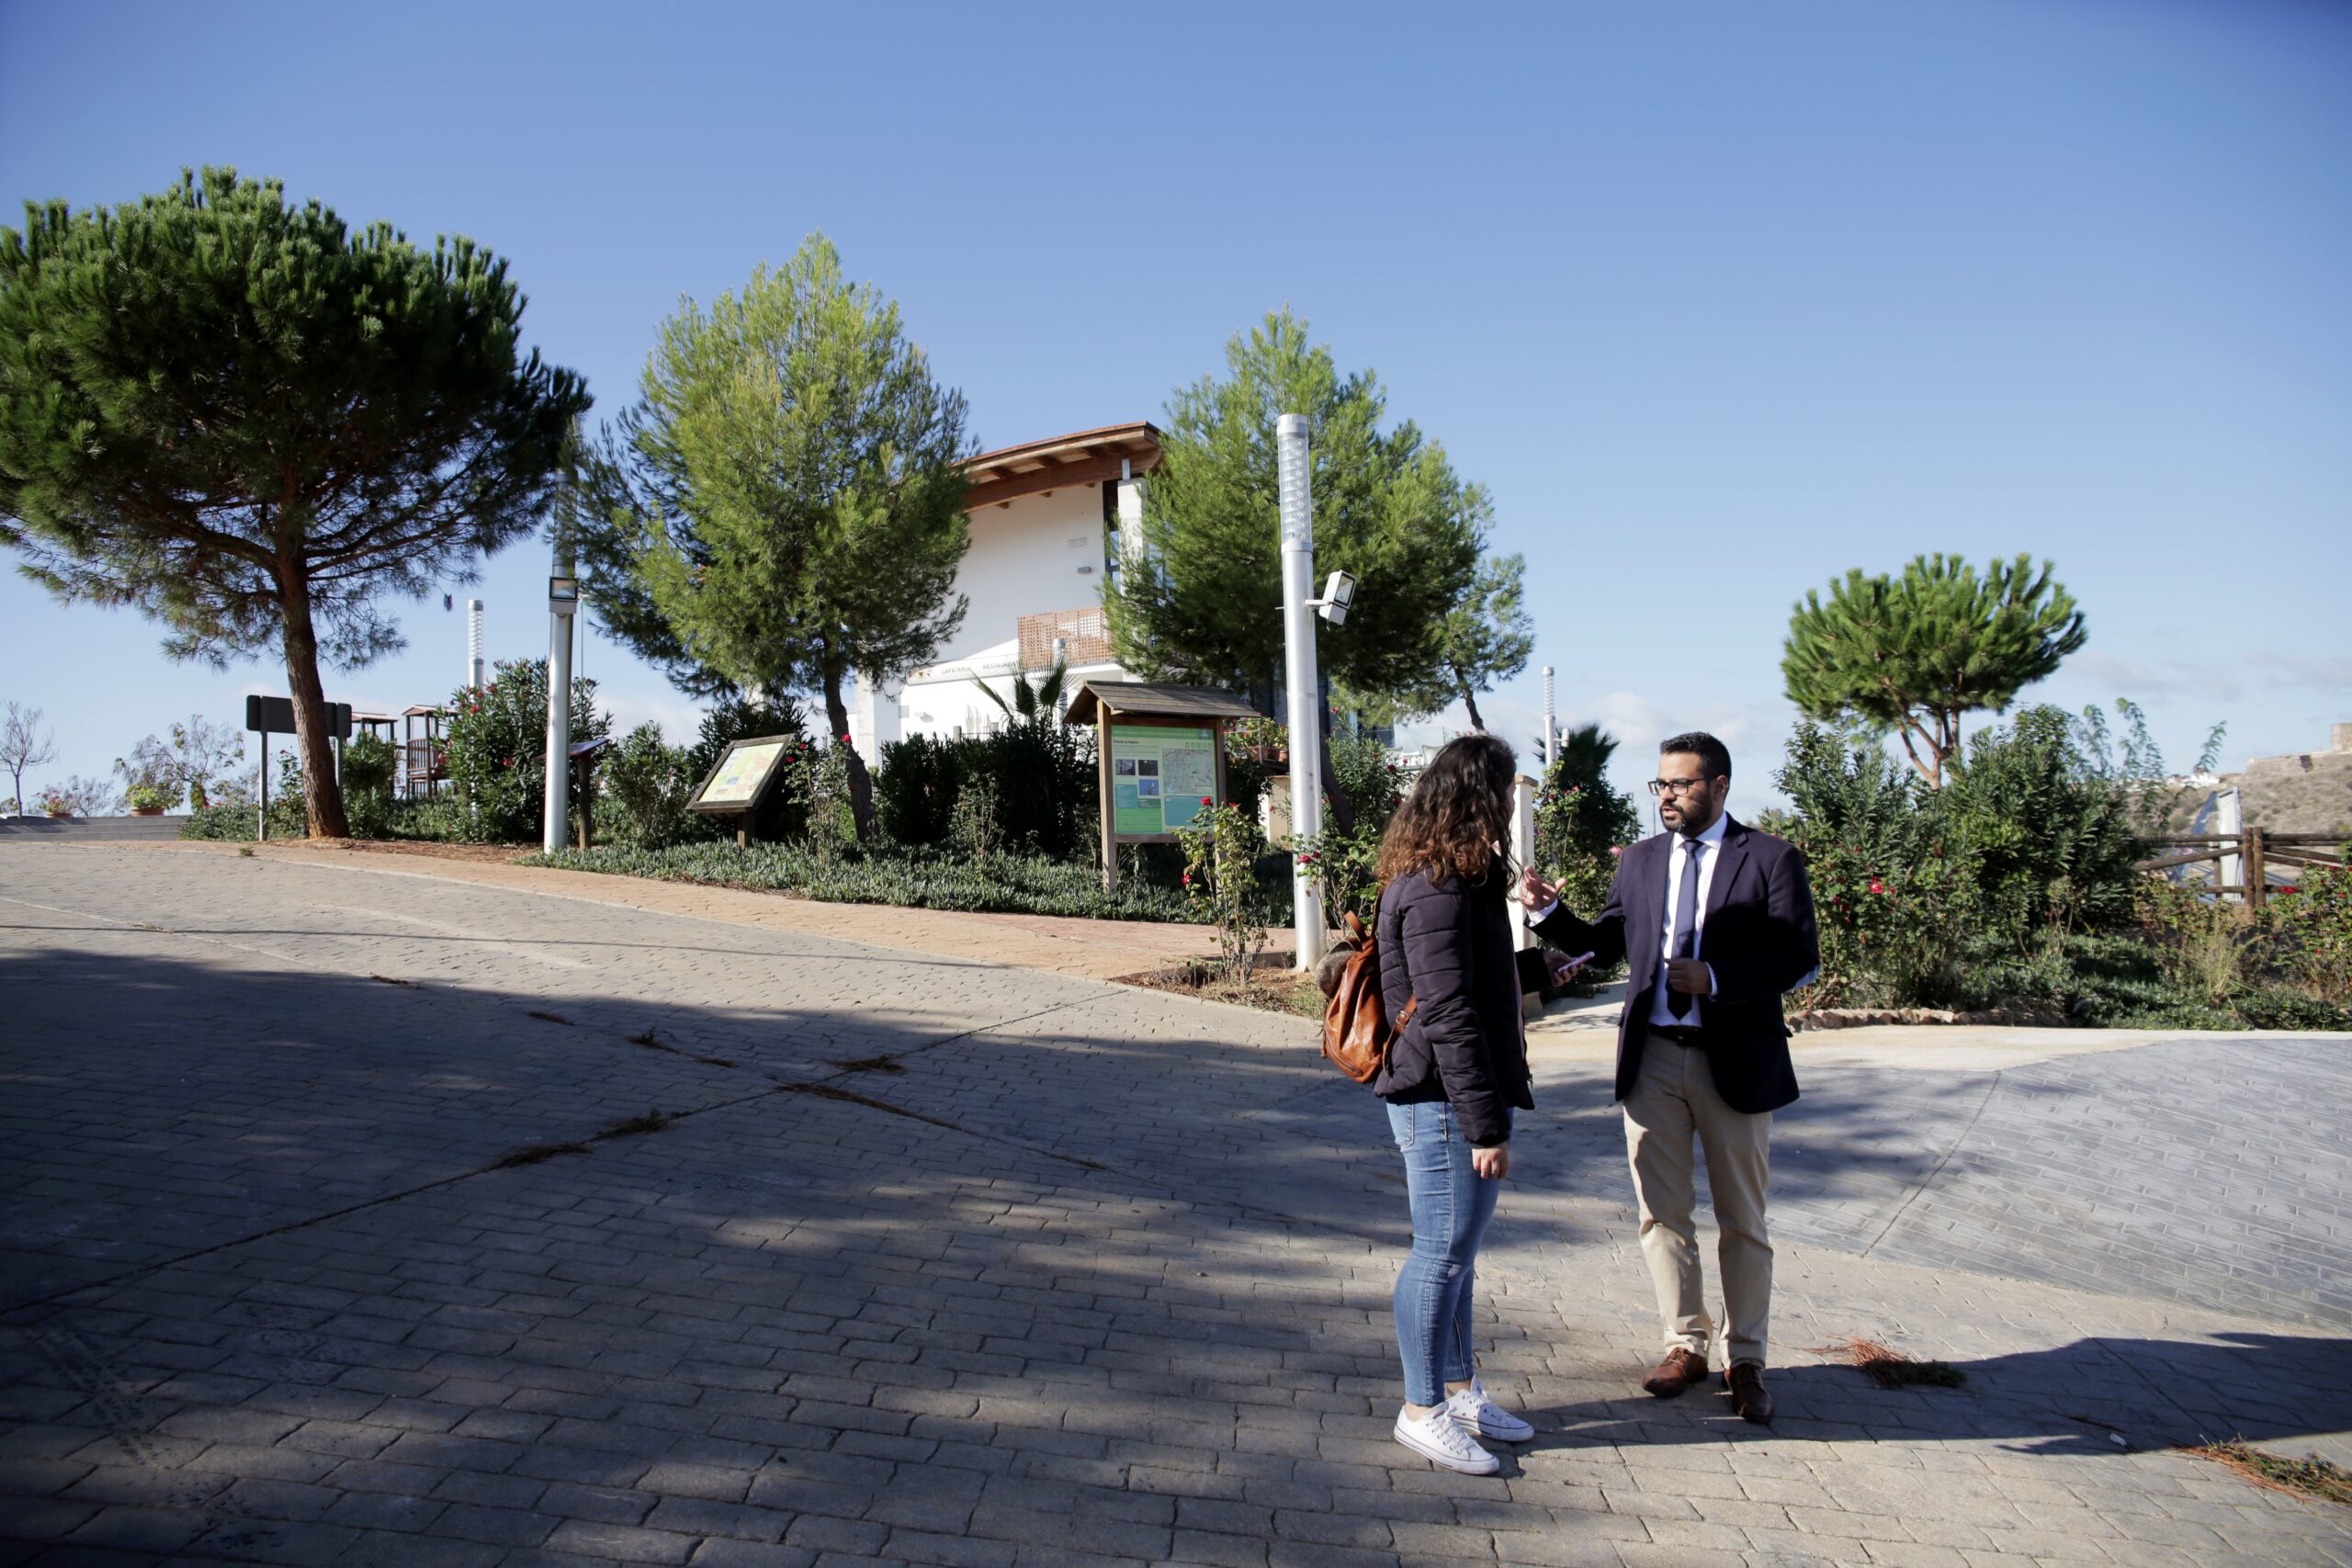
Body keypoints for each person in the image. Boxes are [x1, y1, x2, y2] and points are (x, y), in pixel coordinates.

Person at [1520, 731, 1817, 1425]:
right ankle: (1684, 1342)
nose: (1667, 796)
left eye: (1680, 784)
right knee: (1662, 1214)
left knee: (1743, 1218)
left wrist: (1717, 979)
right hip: (1651, 1057)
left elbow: (1799, 956)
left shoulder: (1770, 858)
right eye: (1659, 785)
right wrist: (1547, 914)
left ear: (1718, 786)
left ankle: (1746, 1358)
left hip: (1735, 1060)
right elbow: (1610, 941)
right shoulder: (1643, 859)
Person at [1372, 733, 1539, 1473]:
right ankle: (1420, 1407)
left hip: (1448, 1097)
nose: (1509, 804)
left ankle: (1460, 1387)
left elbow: (1477, 982)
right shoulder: (1435, 889)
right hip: (1440, 1102)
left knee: (1458, 1256)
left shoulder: (1454, 883)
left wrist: (1550, 968)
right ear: (1477, 797)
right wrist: (1486, 1123)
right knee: (1439, 1255)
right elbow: (1448, 1015)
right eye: (1503, 791)